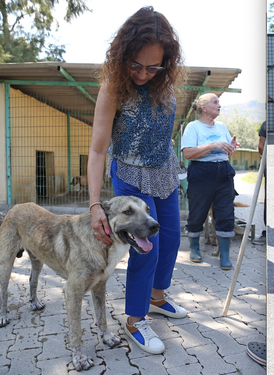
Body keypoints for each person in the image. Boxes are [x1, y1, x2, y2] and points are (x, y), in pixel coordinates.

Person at [88, 6, 188, 355]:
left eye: (153, 66)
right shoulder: (113, 88)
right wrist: (95, 204)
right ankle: (135, 319)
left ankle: (158, 298)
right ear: (124, 55)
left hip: (164, 173)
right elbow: (98, 149)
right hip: (130, 175)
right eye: (136, 65)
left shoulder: (165, 83)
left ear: (166, 61)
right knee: (147, 248)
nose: (144, 73)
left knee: (172, 240)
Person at [181, 93, 239, 270]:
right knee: (198, 212)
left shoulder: (221, 126)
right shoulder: (193, 127)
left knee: (225, 212)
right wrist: (213, 146)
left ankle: (224, 255)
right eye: (215, 102)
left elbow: (227, 151)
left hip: (223, 172)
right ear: (204, 107)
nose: (219, 105)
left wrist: (231, 147)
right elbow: (188, 154)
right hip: (201, 173)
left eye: (219, 103)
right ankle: (194, 248)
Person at [252, 120, 267, 245]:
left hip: (268, 164)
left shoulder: (266, 124)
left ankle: (267, 232)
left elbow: (261, 147)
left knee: (268, 198)